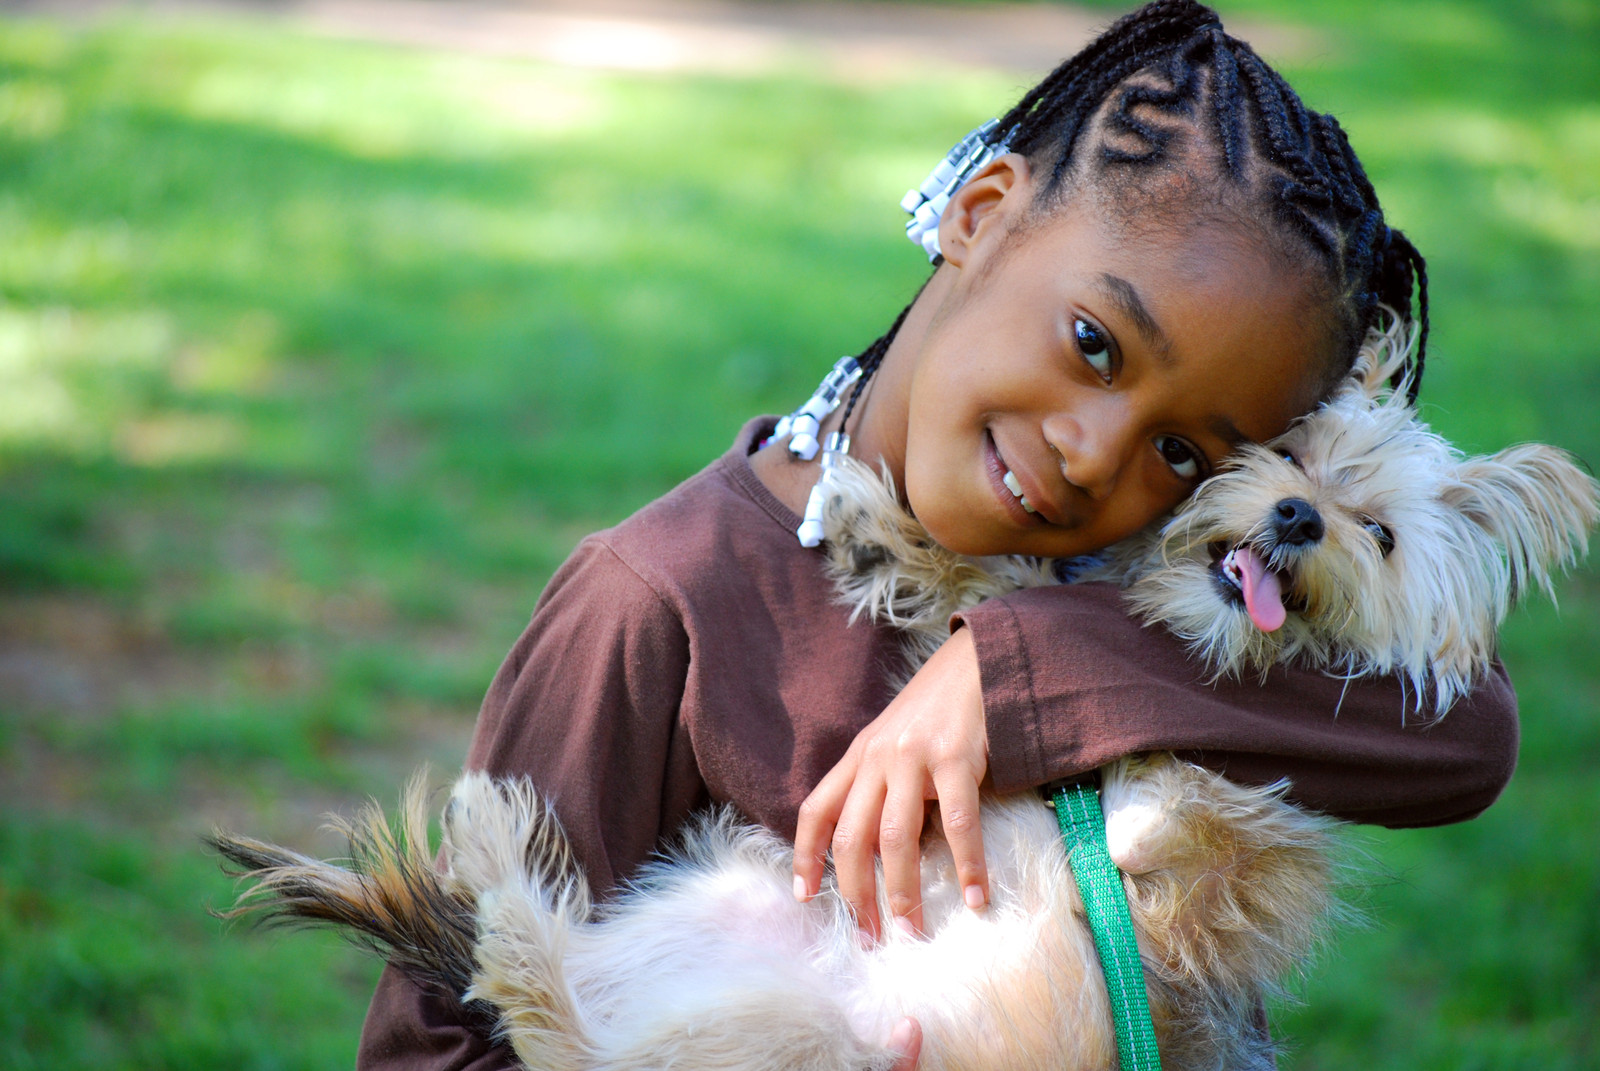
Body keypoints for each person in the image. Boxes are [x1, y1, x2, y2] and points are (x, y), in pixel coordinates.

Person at [357, 3, 1518, 1068]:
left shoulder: (1160, 565)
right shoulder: (664, 597)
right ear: (978, 216)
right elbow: (438, 1045)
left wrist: (1012, 675)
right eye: (1094, 343)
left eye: (1186, 452)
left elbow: (1468, 729)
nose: (1095, 455)